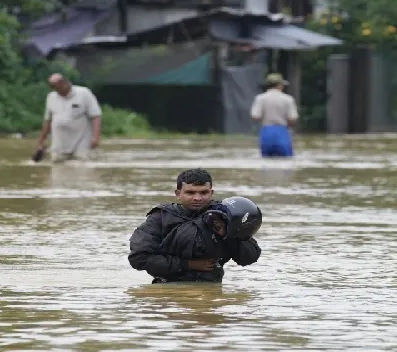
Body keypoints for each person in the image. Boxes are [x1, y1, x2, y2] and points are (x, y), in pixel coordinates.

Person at [128, 168, 262, 283]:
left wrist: (229, 234)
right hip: (168, 286)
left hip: (211, 288)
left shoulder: (225, 216)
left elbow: (250, 258)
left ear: (211, 193)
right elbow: (139, 258)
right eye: (190, 193)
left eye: (203, 192)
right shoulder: (160, 218)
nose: (197, 198)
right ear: (178, 194)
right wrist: (189, 264)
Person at [34, 73, 102, 163]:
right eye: (55, 88)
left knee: (83, 169)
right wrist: (41, 141)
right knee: (57, 169)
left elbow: (96, 116)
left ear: (65, 83)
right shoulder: (51, 97)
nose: (59, 90)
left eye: (59, 87)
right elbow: (48, 121)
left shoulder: (84, 93)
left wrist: (95, 137)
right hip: (60, 144)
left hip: (81, 141)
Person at [251, 72, 299, 157]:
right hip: (282, 131)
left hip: (266, 132)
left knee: (266, 162)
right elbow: (292, 118)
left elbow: (255, 116)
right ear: (279, 85)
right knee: (286, 162)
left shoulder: (260, 98)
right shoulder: (288, 99)